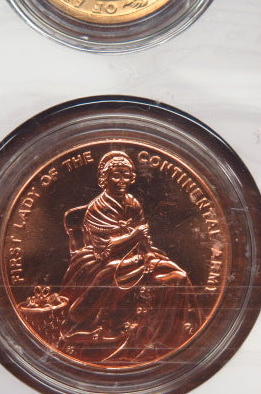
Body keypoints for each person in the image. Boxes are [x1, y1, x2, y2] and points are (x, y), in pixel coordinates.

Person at [58, 151, 202, 363]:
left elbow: (144, 239)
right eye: (116, 175)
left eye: (126, 175)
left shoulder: (132, 203)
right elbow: (104, 251)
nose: (122, 180)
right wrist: (134, 235)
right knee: (111, 272)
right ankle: (88, 320)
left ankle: (173, 334)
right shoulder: (96, 209)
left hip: (135, 258)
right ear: (104, 178)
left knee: (177, 275)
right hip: (100, 262)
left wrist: (149, 255)